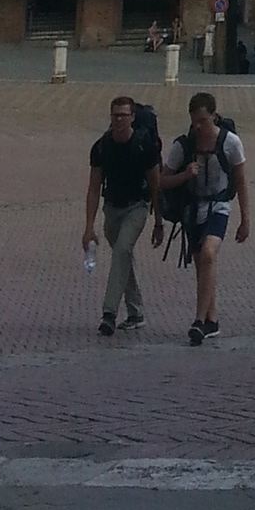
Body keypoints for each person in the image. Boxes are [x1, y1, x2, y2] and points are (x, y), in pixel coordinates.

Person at [153, 92, 248, 344]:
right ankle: (211, 320)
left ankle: (198, 320)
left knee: (208, 254)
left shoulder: (231, 143)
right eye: (194, 121)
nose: (198, 127)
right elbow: (161, 181)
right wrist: (184, 176)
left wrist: (245, 220)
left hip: (219, 206)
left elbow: (240, 180)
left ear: (214, 117)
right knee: (202, 264)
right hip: (192, 209)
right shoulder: (182, 146)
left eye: (203, 121)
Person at [84, 95, 161, 337]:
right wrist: (89, 227)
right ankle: (136, 312)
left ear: (132, 118)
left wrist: (158, 221)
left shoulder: (143, 145)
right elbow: (94, 188)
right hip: (112, 209)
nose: (118, 119)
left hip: (137, 206)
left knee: (121, 251)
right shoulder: (101, 147)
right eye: (115, 115)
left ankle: (109, 313)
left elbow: (155, 184)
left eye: (123, 115)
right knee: (123, 257)